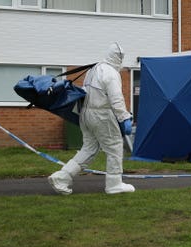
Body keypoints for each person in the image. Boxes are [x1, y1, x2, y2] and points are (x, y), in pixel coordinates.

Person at [48, 42, 135, 194]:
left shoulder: (93, 69)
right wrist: (124, 118)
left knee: (89, 148)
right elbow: (116, 99)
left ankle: (62, 177)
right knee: (114, 146)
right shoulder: (111, 73)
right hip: (101, 115)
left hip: (85, 114)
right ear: (119, 58)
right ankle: (114, 184)